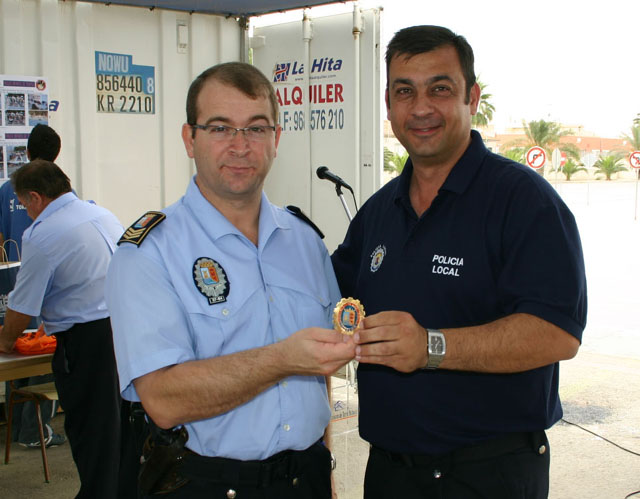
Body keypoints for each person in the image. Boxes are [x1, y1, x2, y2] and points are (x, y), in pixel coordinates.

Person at [331, 25, 587, 499]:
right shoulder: (378, 212)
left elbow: (557, 333)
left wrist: (431, 347)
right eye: (405, 91)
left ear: (472, 96)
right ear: (388, 104)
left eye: (440, 89)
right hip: (389, 473)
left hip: (488, 475)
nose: (421, 108)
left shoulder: (524, 202)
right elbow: (329, 298)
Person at [105, 62, 355, 499]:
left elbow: (321, 373)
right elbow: (162, 401)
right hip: (207, 483)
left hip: (306, 477)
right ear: (190, 139)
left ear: (276, 140)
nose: (240, 146)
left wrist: (326, 472)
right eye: (220, 128)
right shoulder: (149, 252)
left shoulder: (305, 242)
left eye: (256, 129)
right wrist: (282, 359)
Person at [0, 160, 137, 499]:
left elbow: (22, 308)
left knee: (92, 431)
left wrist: (5, 340)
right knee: (122, 428)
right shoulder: (101, 214)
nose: (28, 214)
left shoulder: (43, 233)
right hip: (127, 332)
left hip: (87, 343)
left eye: (25, 205)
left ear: (34, 198)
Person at [0, 124, 65, 449]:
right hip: (48, 289)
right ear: (57, 152)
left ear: (26, 151)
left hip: (12, 281)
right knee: (43, 362)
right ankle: (35, 431)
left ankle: (14, 427)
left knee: (12, 354)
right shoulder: (61, 190)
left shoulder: (6, 188)